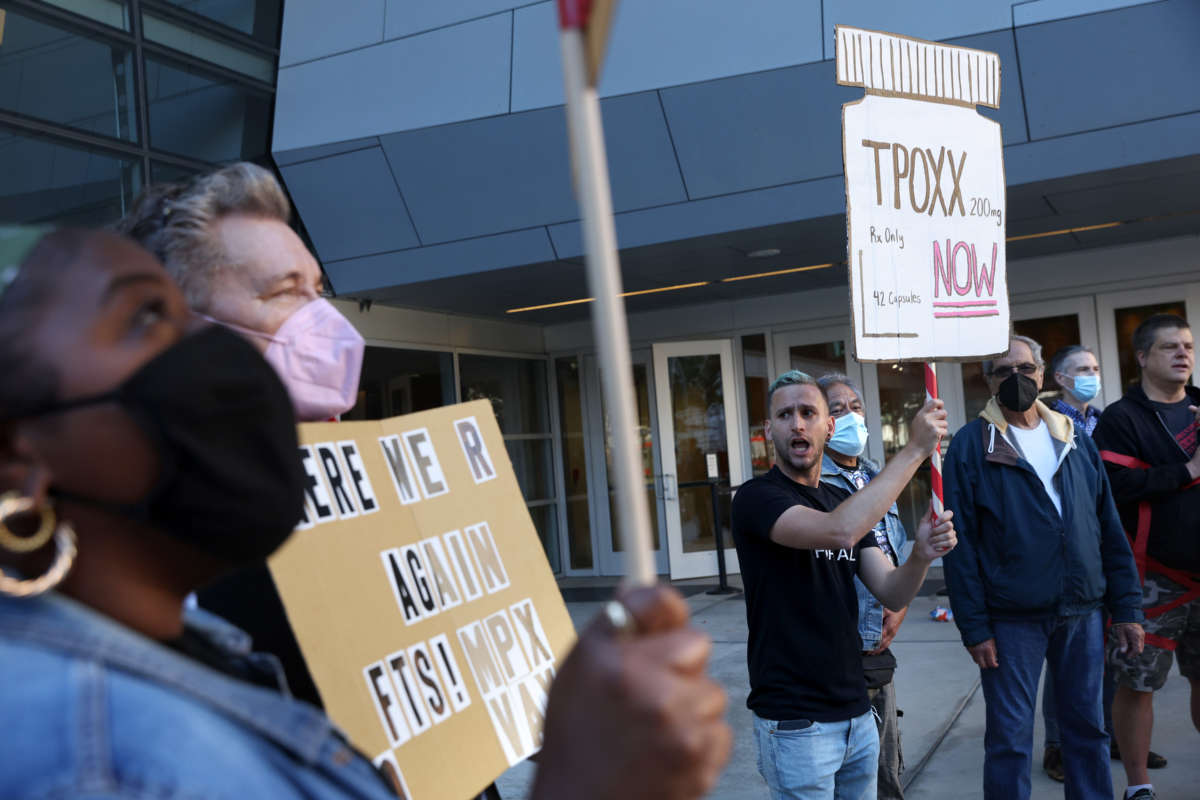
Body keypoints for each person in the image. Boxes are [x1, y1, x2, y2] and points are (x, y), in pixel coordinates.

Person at [0, 226, 732, 800]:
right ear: (16, 464)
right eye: (147, 316)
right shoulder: (86, 763)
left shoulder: (203, 655)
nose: (213, 355)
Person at [117, 162, 365, 708]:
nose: (323, 321)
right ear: (181, 326)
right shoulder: (141, 547)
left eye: (317, 290)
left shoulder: (355, 491)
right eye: (285, 292)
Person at [732, 369, 956, 800]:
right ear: (768, 430)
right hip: (797, 722)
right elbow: (839, 532)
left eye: (808, 412)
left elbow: (891, 590)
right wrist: (914, 450)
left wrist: (921, 555)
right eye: (784, 415)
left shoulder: (841, 501)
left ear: (827, 427)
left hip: (856, 713)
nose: (797, 423)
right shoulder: (757, 499)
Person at [942, 334, 1145, 800]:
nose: (1017, 378)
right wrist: (974, 626)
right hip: (1012, 617)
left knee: (1088, 730)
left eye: (1025, 368)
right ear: (988, 380)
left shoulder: (1072, 437)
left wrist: (1128, 607)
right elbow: (962, 545)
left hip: (1083, 611)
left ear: (1041, 373)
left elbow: (1107, 527)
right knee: (1010, 740)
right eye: (1003, 371)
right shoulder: (972, 445)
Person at [1039, 345, 1168, 782]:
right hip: (1068, 551)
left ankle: (1116, 734)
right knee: (1065, 657)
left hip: (1112, 545)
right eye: (1082, 370)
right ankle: (1056, 746)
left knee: (1116, 648)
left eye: (1095, 368)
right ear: (1060, 377)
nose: (1091, 375)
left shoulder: (1107, 422)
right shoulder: (1046, 424)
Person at [1092, 314, 1200, 800]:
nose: (1183, 354)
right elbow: (1111, 489)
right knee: (1138, 683)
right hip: (1151, 578)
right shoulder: (1122, 418)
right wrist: (1186, 470)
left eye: (1188, 346)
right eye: (1169, 347)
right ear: (1141, 357)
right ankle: (1138, 786)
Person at [816, 373, 909, 800]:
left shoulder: (874, 477)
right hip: (836, 652)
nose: (850, 416)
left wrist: (900, 603)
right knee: (845, 774)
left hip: (878, 646)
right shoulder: (815, 486)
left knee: (884, 770)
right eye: (836, 410)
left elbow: (894, 547)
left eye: (855, 406)